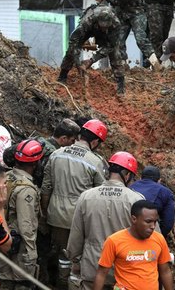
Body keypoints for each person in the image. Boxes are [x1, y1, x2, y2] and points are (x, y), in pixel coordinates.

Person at [40, 119, 108, 284]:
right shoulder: (95, 162)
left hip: (55, 216)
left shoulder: (57, 154)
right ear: (94, 141)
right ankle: (72, 284)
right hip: (79, 218)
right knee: (76, 256)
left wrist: (45, 213)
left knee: (61, 253)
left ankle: (58, 282)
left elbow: (46, 188)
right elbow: (100, 195)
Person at [67, 152, 144, 290]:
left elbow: (76, 235)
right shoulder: (136, 200)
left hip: (92, 266)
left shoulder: (86, 197)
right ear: (127, 175)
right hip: (124, 271)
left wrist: (75, 260)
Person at [92, 200, 174, 290]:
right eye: (148, 221)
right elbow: (101, 273)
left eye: (155, 222)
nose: (153, 226)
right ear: (134, 219)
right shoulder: (114, 241)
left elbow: (165, 271)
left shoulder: (159, 239)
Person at [95, 0, 160, 69]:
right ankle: (124, 64)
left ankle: (156, 64)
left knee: (140, 39)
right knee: (119, 39)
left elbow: (116, 2)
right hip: (123, 12)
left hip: (136, 12)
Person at [0, 140, 43, 290]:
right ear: (35, 163)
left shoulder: (5, 177)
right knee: (22, 283)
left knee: (3, 280)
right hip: (19, 246)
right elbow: (26, 224)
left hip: (1, 238)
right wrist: (31, 253)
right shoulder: (26, 189)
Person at [57, 3, 127, 94]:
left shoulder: (116, 24)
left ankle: (121, 87)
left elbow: (111, 46)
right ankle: (62, 76)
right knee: (71, 51)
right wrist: (77, 62)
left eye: (106, 26)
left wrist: (92, 60)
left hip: (106, 36)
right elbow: (74, 40)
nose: (104, 28)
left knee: (115, 53)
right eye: (102, 26)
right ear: (98, 21)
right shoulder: (87, 21)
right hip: (89, 30)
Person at [130, 166, 175, 238]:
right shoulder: (165, 192)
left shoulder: (130, 187)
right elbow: (168, 222)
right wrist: (158, 236)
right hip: (150, 236)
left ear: (141, 178)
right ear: (159, 181)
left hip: (128, 232)